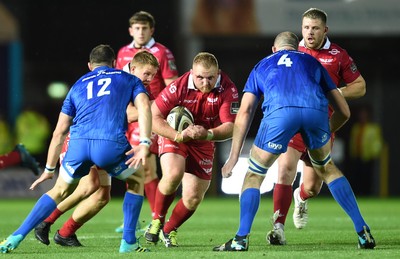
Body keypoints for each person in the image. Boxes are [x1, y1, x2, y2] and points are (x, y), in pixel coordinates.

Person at [213, 32, 375, 252]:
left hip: (280, 115)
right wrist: (324, 131)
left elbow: (246, 111)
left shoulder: (262, 65)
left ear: (274, 49)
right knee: (327, 168)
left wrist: (233, 156)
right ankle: (362, 230)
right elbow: (344, 111)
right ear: (297, 48)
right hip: (315, 114)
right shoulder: (312, 61)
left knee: (254, 174)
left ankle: (241, 238)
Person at [0, 44, 152, 254]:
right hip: (108, 143)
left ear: (90, 66)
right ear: (115, 63)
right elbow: (144, 107)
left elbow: (59, 132)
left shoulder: (78, 85)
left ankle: (15, 237)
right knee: (136, 180)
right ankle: (128, 242)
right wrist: (144, 142)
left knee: (60, 189)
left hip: (77, 144)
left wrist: (49, 169)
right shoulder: (129, 79)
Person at [268, 8, 368, 245]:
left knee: (313, 187)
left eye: (315, 28)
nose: (310, 33)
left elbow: (360, 86)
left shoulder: (338, 55)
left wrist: (335, 92)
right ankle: (278, 228)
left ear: (325, 30)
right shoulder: (293, 51)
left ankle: (300, 197)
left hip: (321, 125)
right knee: (285, 168)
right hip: (293, 123)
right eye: (306, 28)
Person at [144, 52, 239, 247]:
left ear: (218, 73)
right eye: (200, 77)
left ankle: (168, 230)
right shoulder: (178, 86)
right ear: (191, 73)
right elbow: (153, 118)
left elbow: (231, 126)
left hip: (205, 139)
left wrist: (208, 134)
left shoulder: (228, 88)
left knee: (194, 197)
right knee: (173, 174)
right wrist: (178, 135)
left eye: (210, 77)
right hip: (176, 135)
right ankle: (156, 221)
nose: (205, 83)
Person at [115, 10, 178, 232]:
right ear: (131, 30)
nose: (141, 32)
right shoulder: (123, 52)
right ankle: (133, 218)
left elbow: (172, 84)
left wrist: (160, 109)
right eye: (137, 28)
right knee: (132, 166)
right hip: (132, 116)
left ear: (151, 30)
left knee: (148, 168)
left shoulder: (162, 52)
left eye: (145, 28)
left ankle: (155, 219)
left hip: (151, 114)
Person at [348, 105, 383, 195]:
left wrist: (374, 154)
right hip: (357, 156)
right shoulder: (356, 127)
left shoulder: (373, 128)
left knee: (367, 176)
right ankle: (358, 193)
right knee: (357, 176)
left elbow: (377, 142)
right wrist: (353, 153)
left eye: (364, 114)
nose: (362, 116)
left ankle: (367, 193)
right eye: (361, 114)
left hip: (368, 157)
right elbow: (353, 141)